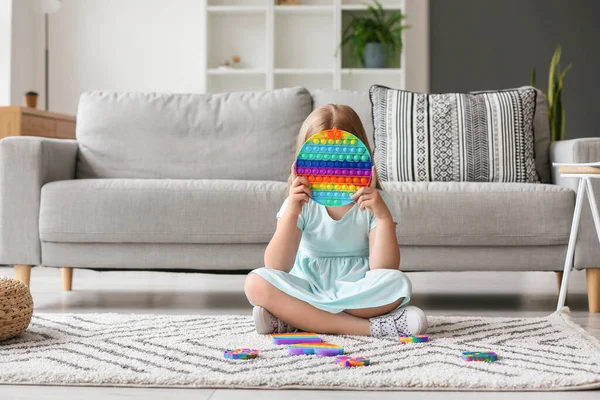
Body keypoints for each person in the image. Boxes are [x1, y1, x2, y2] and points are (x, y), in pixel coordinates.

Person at [245, 104, 427, 337]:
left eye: (342, 160)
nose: (332, 169)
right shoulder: (300, 202)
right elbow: (276, 265)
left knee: (397, 284)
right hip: (308, 287)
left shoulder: (377, 202)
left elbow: (384, 268)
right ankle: (369, 328)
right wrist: (292, 211)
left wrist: (382, 217)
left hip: (356, 289)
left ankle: (297, 319)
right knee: (255, 282)